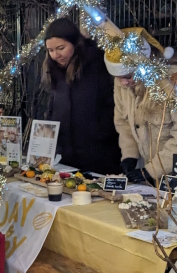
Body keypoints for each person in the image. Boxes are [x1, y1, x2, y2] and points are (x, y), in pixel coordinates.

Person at [105, 29, 177, 184]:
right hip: (156, 173)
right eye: (117, 78)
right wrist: (129, 154)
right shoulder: (124, 83)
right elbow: (123, 122)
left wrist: (151, 170)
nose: (123, 83)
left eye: (128, 76)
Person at [39, 18, 121, 174]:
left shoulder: (96, 64)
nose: (56, 55)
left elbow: (111, 104)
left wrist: (101, 133)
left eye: (61, 48)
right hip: (66, 156)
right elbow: (53, 105)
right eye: (50, 50)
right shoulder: (53, 69)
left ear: (75, 43)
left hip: (99, 156)